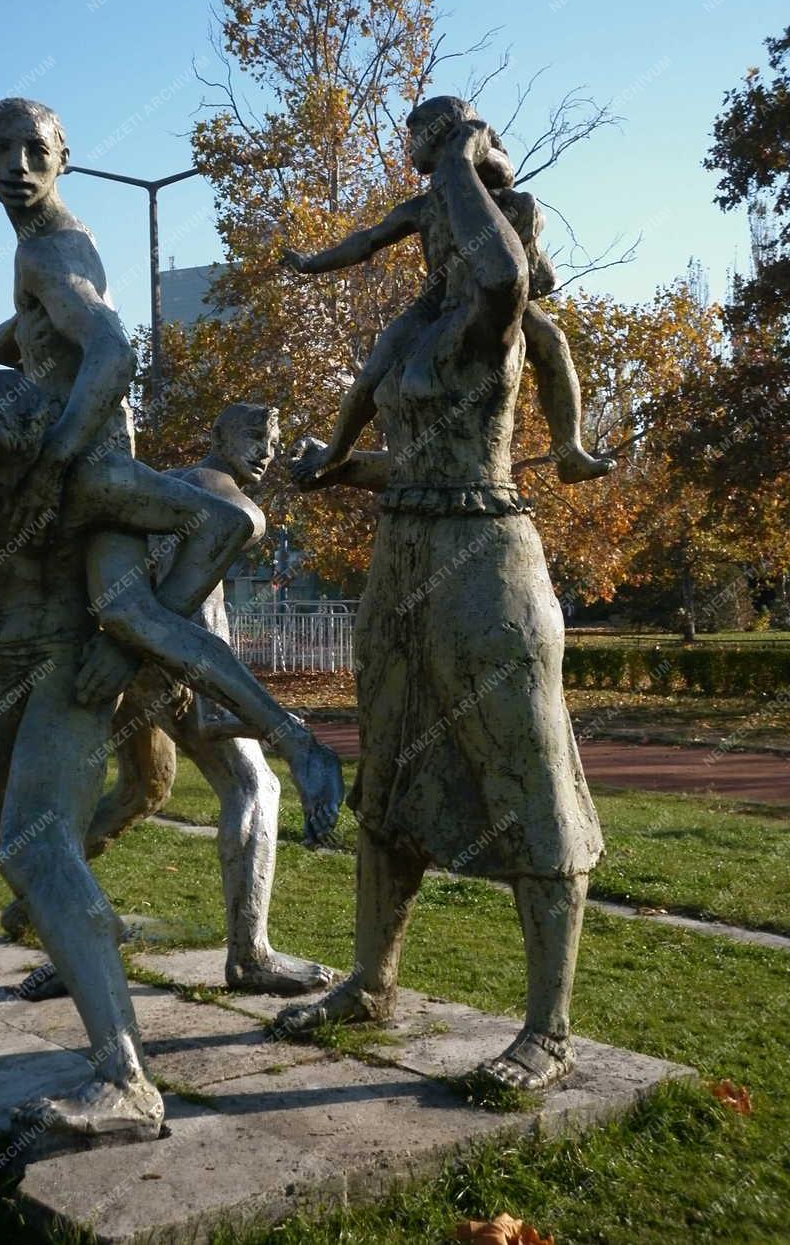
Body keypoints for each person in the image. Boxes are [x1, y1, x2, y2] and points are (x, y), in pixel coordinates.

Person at [0, 96, 341, 864]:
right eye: (1, 149)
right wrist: (17, 337)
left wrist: (52, 462)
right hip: (57, 460)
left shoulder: (50, 250)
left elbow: (113, 353)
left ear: (64, 158)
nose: (18, 167)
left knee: (135, 618)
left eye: (36, 152)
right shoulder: (44, 255)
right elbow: (71, 337)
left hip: (91, 468)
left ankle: (298, 742)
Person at [276, 108, 604, 1093]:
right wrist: (331, 474)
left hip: (485, 560)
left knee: (526, 768)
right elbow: (410, 461)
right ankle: (371, 981)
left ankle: (546, 1028)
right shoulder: (410, 329)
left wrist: (458, 153)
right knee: (393, 766)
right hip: (404, 558)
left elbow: (501, 275)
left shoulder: (494, 320)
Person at [85, 403, 332, 996]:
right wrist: (202, 689)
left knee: (141, 789)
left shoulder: (171, 485)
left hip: (132, 659)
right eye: (252, 435)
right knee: (255, 786)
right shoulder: (228, 501)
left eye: (271, 438)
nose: (266, 450)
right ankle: (250, 955)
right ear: (215, 435)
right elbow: (181, 601)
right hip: (172, 663)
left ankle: (44, 905)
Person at [283, 95, 614, 489]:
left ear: (441, 136)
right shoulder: (421, 208)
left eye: (415, 138)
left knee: (553, 341)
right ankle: (335, 453)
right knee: (372, 374)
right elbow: (367, 241)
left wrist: (472, 144)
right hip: (434, 304)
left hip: (492, 301)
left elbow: (523, 267)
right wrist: (311, 263)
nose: (409, 149)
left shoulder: (508, 205)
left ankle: (570, 450)